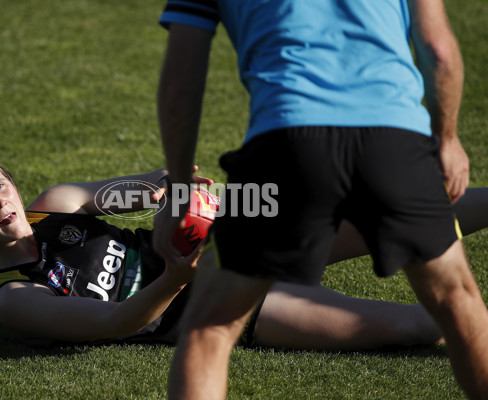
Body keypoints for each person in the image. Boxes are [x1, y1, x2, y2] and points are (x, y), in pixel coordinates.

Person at [152, 1, 488, 399]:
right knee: (459, 303)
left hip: (288, 143)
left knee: (210, 326)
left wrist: (179, 189)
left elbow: (181, 83)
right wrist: (446, 139)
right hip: (396, 142)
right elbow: (438, 48)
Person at [0, 152, 487, 351]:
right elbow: (119, 321)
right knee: (416, 328)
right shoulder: (14, 299)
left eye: (0, 183)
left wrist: (158, 184)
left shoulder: (56, 206)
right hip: (220, 307)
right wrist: (177, 277)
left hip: (225, 242)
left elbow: (122, 193)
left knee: (391, 218)